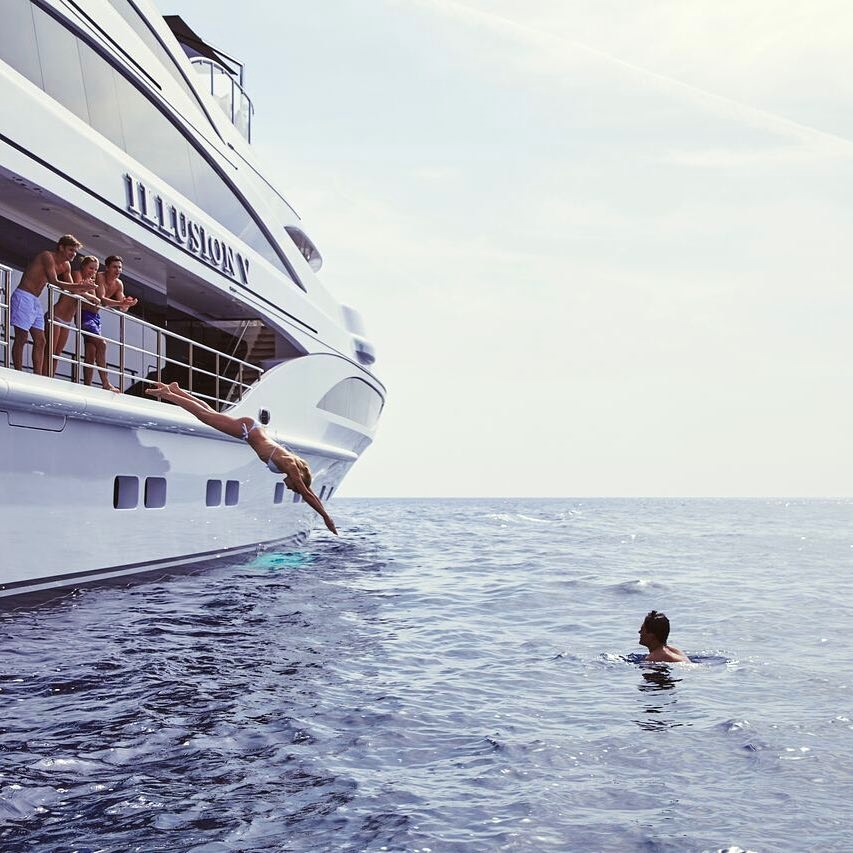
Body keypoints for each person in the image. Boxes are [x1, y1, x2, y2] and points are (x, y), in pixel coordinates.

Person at [144, 381, 338, 535]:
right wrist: (326, 518)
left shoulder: (290, 463)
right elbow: (308, 494)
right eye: (293, 486)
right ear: (298, 481)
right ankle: (168, 394)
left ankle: (177, 391)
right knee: (205, 416)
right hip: (247, 430)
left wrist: (325, 514)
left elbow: (308, 491)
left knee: (211, 414)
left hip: (251, 429)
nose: (288, 487)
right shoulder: (290, 466)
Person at [10, 234, 93, 373]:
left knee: (41, 340)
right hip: (24, 296)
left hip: (35, 300)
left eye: (75, 251)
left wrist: (86, 290)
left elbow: (71, 288)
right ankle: (18, 371)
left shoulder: (66, 265)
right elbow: (54, 282)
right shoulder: (47, 256)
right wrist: (81, 286)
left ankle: (38, 375)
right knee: (22, 337)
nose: (73, 254)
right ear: (61, 247)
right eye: (71, 250)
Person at [82, 254, 137, 391]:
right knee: (101, 344)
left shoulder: (119, 284)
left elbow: (123, 307)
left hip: (95, 317)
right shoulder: (100, 276)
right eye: (114, 267)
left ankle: (87, 387)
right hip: (83, 314)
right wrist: (121, 302)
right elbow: (102, 298)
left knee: (91, 351)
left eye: (120, 267)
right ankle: (106, 383)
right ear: (107, 268)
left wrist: (128, 304)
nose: (117, 270)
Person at [42, 255, 101, 377]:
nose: (93, 272)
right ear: (83, 266)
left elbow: (94, 304)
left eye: (95, 270)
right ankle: (43, 375)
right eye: (91, 268)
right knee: (50, 350)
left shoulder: (90, 284)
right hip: (56, 315)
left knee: (57, 353)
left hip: (67, 321)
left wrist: (91, 296)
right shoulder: (76, 274)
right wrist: (90, 295)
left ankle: (50, 377)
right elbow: (76, 290)